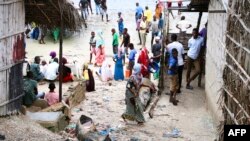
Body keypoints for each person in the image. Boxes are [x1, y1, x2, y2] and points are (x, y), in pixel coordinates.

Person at [198, 22, 207, 87]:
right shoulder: (205, 30)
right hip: (205, 46)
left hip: (203, 46)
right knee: (204, 58)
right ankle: (203, 70)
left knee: (202, 58)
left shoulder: (204, 29)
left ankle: (202, 70)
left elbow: (199, 34)